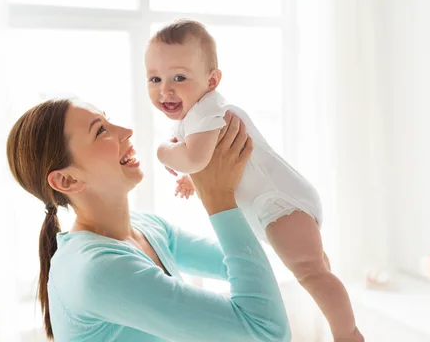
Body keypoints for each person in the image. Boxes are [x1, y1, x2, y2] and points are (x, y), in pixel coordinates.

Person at [146, 19, 363, 342]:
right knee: (318, 270)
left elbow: (196, 157)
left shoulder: (207, 111)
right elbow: (208, 160)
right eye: (155, 78)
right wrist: (193, 179)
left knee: (312, 274)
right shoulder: (195, 115)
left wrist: (163, 153)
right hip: (276, 205)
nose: (166, 89)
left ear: (212, 80)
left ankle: (349, 335)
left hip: (279, 205)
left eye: (179, 77)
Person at [6, 98, 291, 342]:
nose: (126, 131)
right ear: (67, 180)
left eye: (109, 120)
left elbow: (247, 268)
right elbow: (267, 333)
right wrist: (219, 199)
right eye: (101, 131)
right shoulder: (99, 270)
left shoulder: (147, 228)